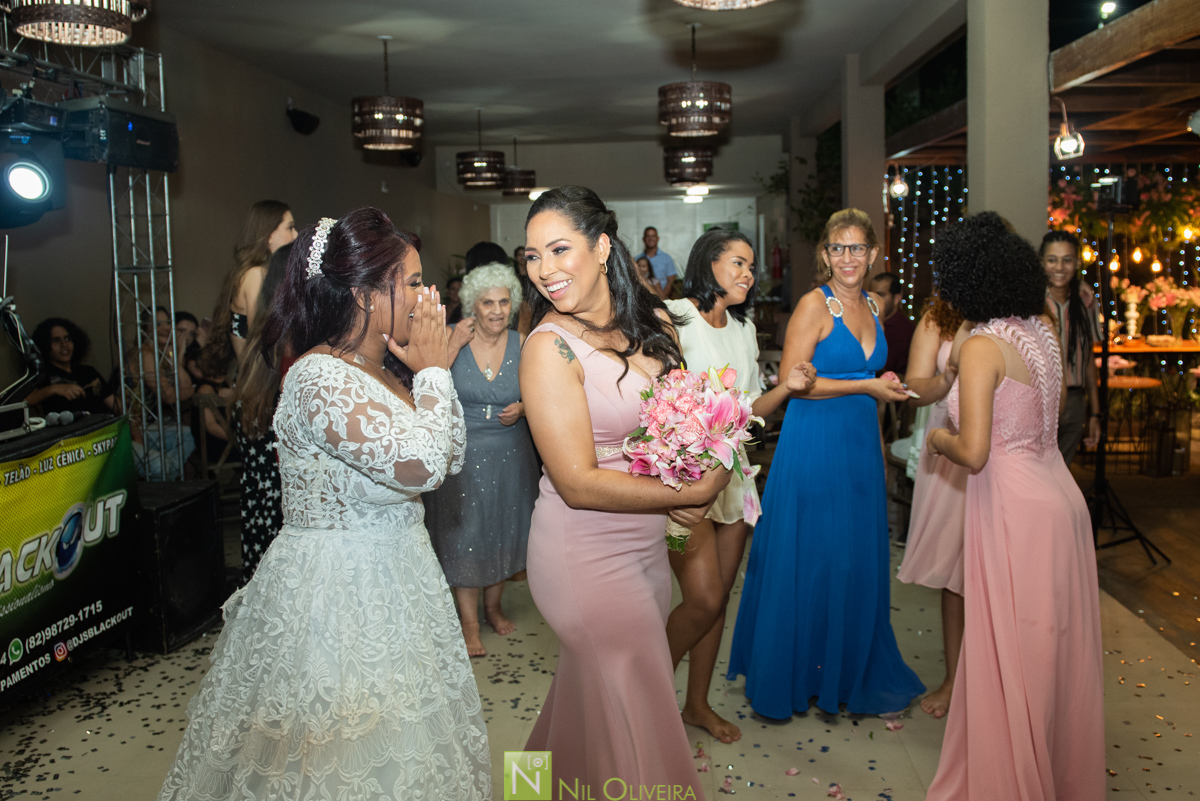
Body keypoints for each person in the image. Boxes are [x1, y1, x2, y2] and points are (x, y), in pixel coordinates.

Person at [158, 209, 490, 800]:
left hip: (401, 579)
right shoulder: (317, 376)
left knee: (406, 751)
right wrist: (437, 374)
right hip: (338, 595)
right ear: (365, 295)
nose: (424, 297)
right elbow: (421, 465)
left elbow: (451, 455)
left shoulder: (385, 371)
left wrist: (430, 376)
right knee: (333, 758)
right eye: (412, 282)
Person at [520, 186, 728, 798]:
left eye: (559, 249)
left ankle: (534, 789)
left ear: (602, 244)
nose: (545, 270)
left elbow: (690, 417)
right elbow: (577, 482)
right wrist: (679, 495)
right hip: (580, 552)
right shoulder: (546, 347)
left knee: (594, 699)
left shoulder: (657, 322)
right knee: (638, 699)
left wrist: (709, 461)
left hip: (644, 545)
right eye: (532, 256)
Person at [923, 212, 1103, 801]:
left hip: (1014, 509)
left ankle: (1011, 782)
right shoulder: (1042, 331)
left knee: (1014, 653)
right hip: (1059, 496)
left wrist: (935, 438)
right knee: (1050, 651)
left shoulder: (981, 347)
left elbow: (973, 451)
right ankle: (1050, 769)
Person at [727, 208, 924, 719]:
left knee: (853, 557)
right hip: (813, 442)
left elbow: (872, 378)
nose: (848, 257)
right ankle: (797, 672)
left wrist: (885, 412)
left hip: (860, 441)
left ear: (874, 254)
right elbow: (798, 383)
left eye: (857, 247)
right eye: (838, 248)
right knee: (814, 557)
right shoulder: (814, 307)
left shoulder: (876, 306)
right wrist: (869, 385)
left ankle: (843, 670)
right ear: (825, 255)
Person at [662, 229, 816, 743]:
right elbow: (653, 396)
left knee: (719, 596)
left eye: (751, 266)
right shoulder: (673, 316)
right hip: (683, 478)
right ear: (708, 264)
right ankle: (648, 688)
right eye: (738, 263)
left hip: (735, 476)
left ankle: (696, 704)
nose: (748, 274)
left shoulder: (744, 329)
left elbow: (749, 412)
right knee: (699, 599)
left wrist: (786, 390)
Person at [425, 264, 538, 657]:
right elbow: (425, 381)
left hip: (512, 454)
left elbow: (544, 393)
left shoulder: (523, 342)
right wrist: (452, 344)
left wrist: (524, 408)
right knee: (466, 536)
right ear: (472, 305)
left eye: (504, 301)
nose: (496, 310)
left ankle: (494, 608)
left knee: (502, 531)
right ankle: (469, 625)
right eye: (488, 302)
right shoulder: (453, 337)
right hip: (464, 457)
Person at [894, 294, 968, 718]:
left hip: (1001, 448)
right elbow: (914, 388)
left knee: (996, 566)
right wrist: (949, 377)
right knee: (955, 569)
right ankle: (955, 678)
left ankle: (996, 674)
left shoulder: (1017, 312)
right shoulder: (939, 316)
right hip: (949, 444)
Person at [231, 243, 293, 579]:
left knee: (266, 514)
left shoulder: (262, 339)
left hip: (255, 406)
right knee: (277, 515)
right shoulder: (285, 336)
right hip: (267, 418)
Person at [209, 200, 297, 368]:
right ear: (270, 234)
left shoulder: (256, 272)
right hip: (256, 383)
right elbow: (263, 337)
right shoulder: (255, 274)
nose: (296, 235)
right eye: (290, 227)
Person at [1041, 230, 1101, 464]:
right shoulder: (1032, 302)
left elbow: (1088, 360)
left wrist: (1094, 412)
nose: (1059, 267)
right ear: (1041, 262)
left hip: (1075, 401)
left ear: (1077, 262)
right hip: (1041, 401)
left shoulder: (1086, 300)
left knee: (1062, 473)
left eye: (1067, 260)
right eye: (1052, 259)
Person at [126, 306, 196, 478]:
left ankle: (167, 472)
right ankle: (168, 472)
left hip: (151, 427)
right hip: (133, 431)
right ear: (145, 330)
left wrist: (178, 358)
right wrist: (184, 391)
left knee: (188, 435)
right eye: (158, 324)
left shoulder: (163, 354)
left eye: (167, 323)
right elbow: (169, 396)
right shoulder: (145, 354)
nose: (165, 328)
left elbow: (187, 388)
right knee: (164, 465)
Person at [27, 318, 116, 415]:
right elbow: (25, 401)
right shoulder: (43, 376)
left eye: (67, 338)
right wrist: (54, 389)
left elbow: (116, 406)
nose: (64, 344)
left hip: (104, 427)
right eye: (56, 340)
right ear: (45, 345)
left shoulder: (89, 372)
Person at [869, 272, 916, 376]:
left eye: (880, 295)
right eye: (871, 294)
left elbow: (881, 366)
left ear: (896, 299)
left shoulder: (905, 329)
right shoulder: (867, 320)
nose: (874, 300)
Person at [635, 226, 678, 297]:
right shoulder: (637, 259)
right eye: (648, 236)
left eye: (653, 236)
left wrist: (662, 299)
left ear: (657, 238)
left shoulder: (666, 258)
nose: (650, 239)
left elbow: (671, 281)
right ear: (643, 239)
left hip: (662, 299)